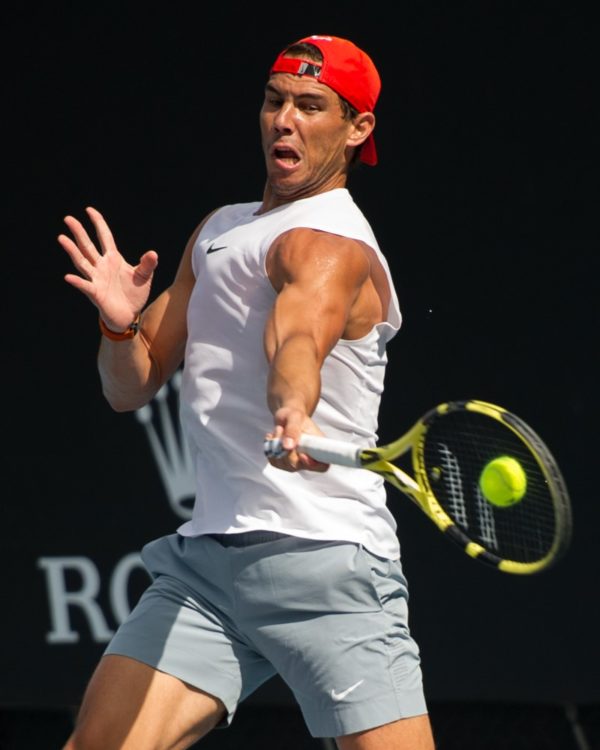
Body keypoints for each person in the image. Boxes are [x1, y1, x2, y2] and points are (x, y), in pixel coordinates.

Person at [58, 34, 435, 750]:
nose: (284, 121)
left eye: (311, 106)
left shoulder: (328, 243)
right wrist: (117, 327)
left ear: (357, 130)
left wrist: (293, 407)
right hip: (210, 570)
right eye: (275, 100)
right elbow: (130, 388)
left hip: (324, 566)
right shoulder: (221, 231)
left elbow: (297, 339)